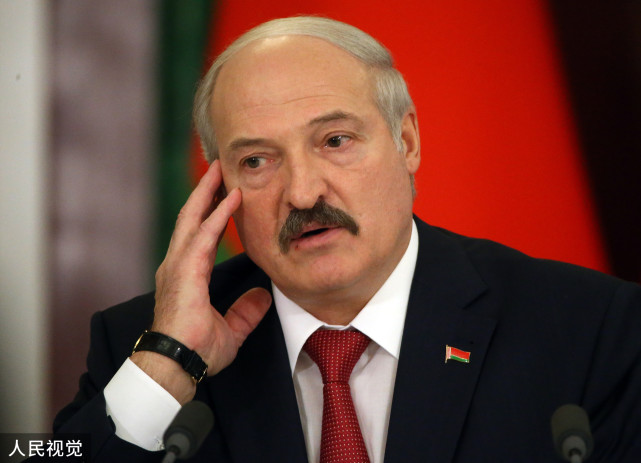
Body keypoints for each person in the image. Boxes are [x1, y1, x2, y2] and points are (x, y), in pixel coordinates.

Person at [53, 16, 641, 463]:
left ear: (407, 142)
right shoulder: (141, 342)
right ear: (217, 188)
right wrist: (170, 363)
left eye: (335, 140)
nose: (303, 193)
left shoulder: (589, 328)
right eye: (256, 160)